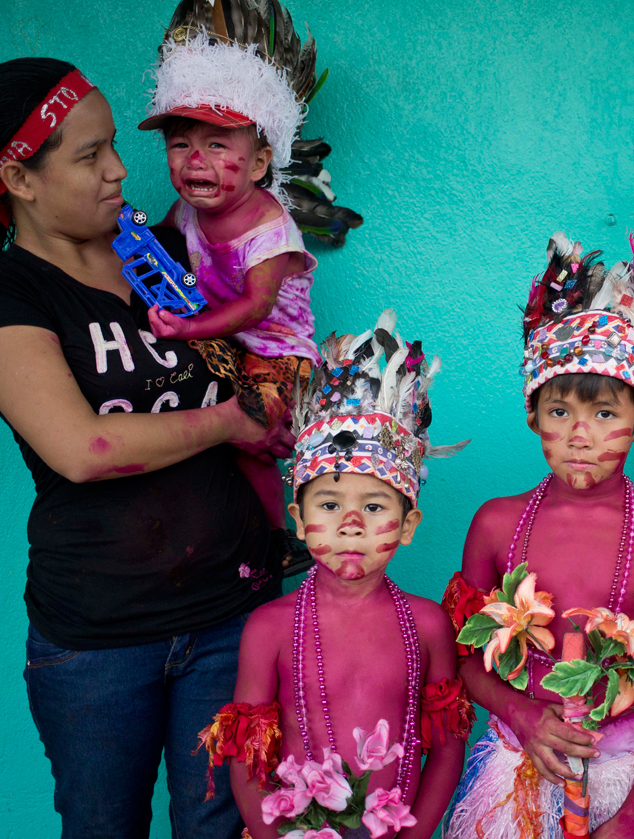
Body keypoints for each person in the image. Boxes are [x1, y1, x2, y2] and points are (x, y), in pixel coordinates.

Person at [0, 57, 292, 839]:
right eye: (89, 155)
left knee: (225, 827)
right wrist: (230, 423)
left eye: (114, 146)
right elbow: (83, 446)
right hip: (99, 639)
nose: (118, 171)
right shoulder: (1, 294)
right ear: (21, 178)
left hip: (231, 611)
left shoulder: (164, 251)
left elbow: (247, 351)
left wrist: (272, 397)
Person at [444, 234, 634, 839]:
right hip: (517, 773)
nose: (579, 435)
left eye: (604, 415)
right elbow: (464, 657)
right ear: (532, 416)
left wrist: (633, 818)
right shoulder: (496, 523)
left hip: (624, 782)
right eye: (560, 411)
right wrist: (521, 713)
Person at [201, 312, 470, 839]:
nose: (350, 524)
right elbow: (245, 758)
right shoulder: (270, 626)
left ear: (409, 525)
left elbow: (447, 746)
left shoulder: (429, 623)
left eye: (374, 507)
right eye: (328, 505)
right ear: (299, 522)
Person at [138, 0, 359, 535]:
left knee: (252, 437)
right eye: (180, 144)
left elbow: (256, 308)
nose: (195, 160)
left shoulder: (268, 230)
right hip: (227, 343)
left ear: (261, 161)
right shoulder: (188, 210)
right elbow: (165, 241)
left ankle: (279, 537)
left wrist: (189, 327)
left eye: (217, 145)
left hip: (278, 355)